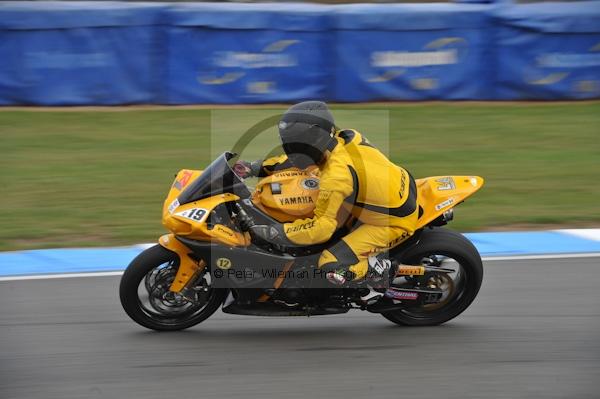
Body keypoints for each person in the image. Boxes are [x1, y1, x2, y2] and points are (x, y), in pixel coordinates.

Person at [236, 101, 418, 300]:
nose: (290, 151)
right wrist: (253, 168)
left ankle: (379, 272)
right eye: (287, 145)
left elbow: (321, 229)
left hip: (391, 220)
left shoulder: (336, 178)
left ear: (315, 140)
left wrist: (274, 232)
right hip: (396, 187)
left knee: (330, 265)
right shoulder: (345, 137)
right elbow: (295, 162)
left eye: (295, 145)